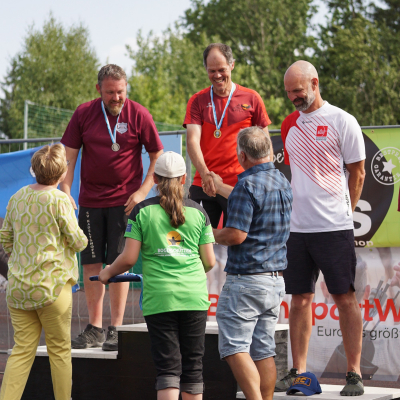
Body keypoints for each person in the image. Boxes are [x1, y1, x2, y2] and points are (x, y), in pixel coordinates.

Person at [275, 60, 366, 396]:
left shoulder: (343, 120)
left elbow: (358, 173)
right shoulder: (288, 124)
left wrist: (344, 213)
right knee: (300, 300)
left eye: (298, 90)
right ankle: (299, 372)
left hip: (334, 227)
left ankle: (354, 373)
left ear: (315, 83)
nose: (293, 97)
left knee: (344, 297)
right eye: (289, 92)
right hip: (297, 229)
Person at [60, 64, 164, 351]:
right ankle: (94, 327)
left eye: (120, 92)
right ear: (99, 90)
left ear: (126, 88)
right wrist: (66, 189)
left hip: (125, 204)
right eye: (110, 92)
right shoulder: (83, 113)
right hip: (90, 202)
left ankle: (116, 328)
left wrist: (142, 192)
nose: (116, 97)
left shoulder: (139, 114)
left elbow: (157, 154)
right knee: (91, 263)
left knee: (119, 263)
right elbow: (68, 156)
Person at [98, 151, 216, 400]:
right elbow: (209, 261)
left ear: (155, 179)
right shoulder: (199, 212)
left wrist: (106, 273)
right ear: (184, 178)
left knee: (168, 369)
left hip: (160, 299)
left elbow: (128, 258)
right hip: (194, 297)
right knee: (193, 369)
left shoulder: (141, 211)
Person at [0, 144, 87, 400]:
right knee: (59, 351)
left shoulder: (17, 197)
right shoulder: (60, 200)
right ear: (62, 173)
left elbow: (5, 239)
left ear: (34, 170)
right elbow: (78, 242)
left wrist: (21, 259)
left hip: (19, 289)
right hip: (54, 289)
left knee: (21, 350)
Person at [212, 127, 292, 400]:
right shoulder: (281, 180)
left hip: (246, 279)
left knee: (234, 348)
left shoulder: (246, 186)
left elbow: (236, 235)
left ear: (242, 156)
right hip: (274, 280)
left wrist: (206, 234)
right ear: (268, 151)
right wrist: (221, 188)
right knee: (263, 351)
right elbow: (253, 198)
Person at [184, 43, 272, 228]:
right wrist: (206, 175)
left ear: (232, 65)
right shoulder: (197, 100)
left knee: (240, 238)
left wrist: (265, 180)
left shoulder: (251, 98)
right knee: (196, 239)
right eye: (212, 71)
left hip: (240, 185)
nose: (217, 75)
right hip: (205, 183)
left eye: (221, 70)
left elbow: (266, 144)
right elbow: (192, 141)